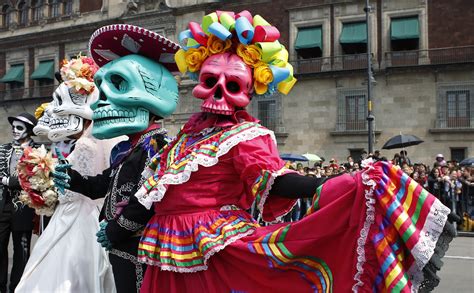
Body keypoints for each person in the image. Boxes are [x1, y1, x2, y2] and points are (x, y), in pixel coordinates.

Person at [133, 11, 454, 292]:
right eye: (209, 79)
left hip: (213, 249)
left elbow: (276, 181)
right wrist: (121, 223)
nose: (218, 92)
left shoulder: (244, 136)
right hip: (166, 251)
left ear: (248, 90)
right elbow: (155, 192)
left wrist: (342, 184)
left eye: (232, 84)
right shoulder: (183, 139)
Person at [54, 25, 180, 293]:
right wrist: (72, 178)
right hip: (122, 246)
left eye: (119, 85)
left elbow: (148, 198)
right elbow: (104, 185)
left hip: (140, 246)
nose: (99, 103)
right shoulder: (129, 148)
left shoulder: (158, 146)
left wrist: (116, 230)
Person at [15, 57, 118, 293]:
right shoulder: (95, 140)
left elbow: (76, 187)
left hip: (76, 214)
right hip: (93, 212)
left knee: (64, 268)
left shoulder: (84, 146)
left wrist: (51, 192)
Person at [0, 113, 38, 293]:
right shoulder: (3, 149)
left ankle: (17, 287)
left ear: (29, 131)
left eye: (20, 127)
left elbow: (36, 178)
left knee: (21, 250)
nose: (14, 130)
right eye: (13, 127)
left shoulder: (38, 151)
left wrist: (10, 181)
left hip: (24, 207)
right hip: (2, 206)